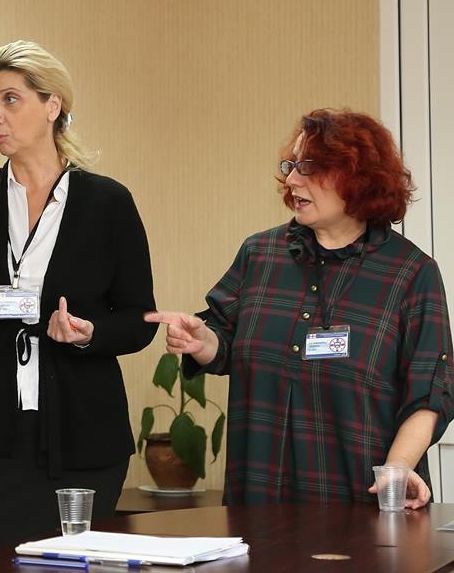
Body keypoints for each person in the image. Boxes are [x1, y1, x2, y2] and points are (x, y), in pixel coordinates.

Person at [146, 108, 454, 509]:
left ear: (358, 177)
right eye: (291, 166)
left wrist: (397, 469)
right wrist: (203, 341)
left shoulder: (410, 272)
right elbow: (224, 340)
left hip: (360, 507)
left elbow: (429, 391)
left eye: (309, 167)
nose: (292, 180)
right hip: (257, 504)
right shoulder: (260, 253)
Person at [0, 40, 157, 550]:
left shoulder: (108, 203)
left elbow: (139, 319)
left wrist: (89, 333)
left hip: (82, 439)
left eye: (10, 99)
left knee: (69, 562)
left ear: (53, 106)